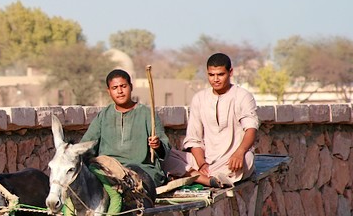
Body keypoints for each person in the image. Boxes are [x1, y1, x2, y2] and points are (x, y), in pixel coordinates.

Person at [164, 52, 259, 188]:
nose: (215, 79)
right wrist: (202, 163)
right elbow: (194, 139)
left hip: (231, 160)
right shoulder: (200, 98)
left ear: (230, 72)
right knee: (165, 157)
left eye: (220, 74)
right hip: (205, 161)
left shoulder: (242, 96)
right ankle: (207, 179)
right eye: (211, 75)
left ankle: (192, 175)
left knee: (247, 160)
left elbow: (251, 128)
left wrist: (239, 152)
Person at [81, 69, 171, 187]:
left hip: (141, 169)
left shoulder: (148, 114)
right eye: (115, 88)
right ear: (109, 91)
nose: (120, 91)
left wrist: (157, 145)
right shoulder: (103, 115)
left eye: (123, 86)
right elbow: (87, 144)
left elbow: (165, 148)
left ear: (131, 87)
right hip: (109, 168)